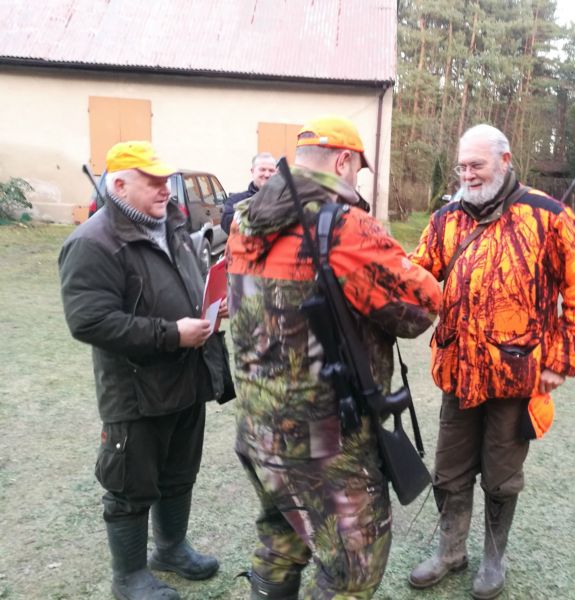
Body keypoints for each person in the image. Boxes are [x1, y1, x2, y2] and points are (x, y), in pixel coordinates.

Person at [225, 115, 442, 599]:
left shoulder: (243, 222)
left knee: (282, 538)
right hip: (325, 440)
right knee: (352, 571)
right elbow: (419, 308)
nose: (357, 180)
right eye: (358, 170)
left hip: (258, 427)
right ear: (343, 161)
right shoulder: (345, 227)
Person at [408, 124, 575, 600]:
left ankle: (494, 558)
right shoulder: (446, 219)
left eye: (476, 165)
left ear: (505, 160)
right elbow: (417, 275)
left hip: (515, 377)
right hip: (458, 372)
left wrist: (561, 361)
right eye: (462, 166)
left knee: (501, 478)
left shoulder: (547, 216)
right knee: (449, 471)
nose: (467, 174)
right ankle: (450, 552)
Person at [59, 140, 234, 600]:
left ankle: (171, 550)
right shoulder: (92, 243)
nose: (165, 189)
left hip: (186, 380)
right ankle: (129, 577)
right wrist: (171, 334)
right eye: (152, 181)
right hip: (135, 392)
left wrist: (210, 305)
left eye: (165, 180)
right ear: (119, 185)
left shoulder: (170, 224)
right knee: (130, 487)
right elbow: (89, 321)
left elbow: (185, 281)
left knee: (179, 474)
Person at [221, 152, 277, 234]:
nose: (267, 174)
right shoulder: (235, 200)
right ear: (252, 171)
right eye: (262, 169)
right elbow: (227, 224)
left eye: (271, 170)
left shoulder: (284, 199)